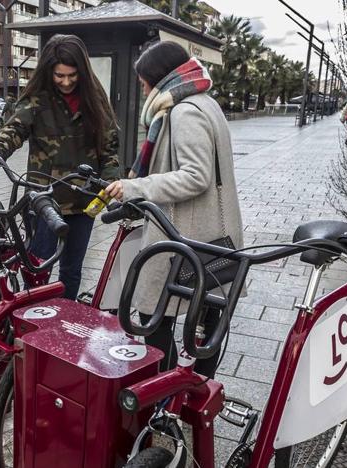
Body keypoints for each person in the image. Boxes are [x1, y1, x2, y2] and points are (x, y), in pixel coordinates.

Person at [103, 41, 244, 378]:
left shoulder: (185, 112)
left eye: (143, 81)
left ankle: (161, 393)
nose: (142, 88)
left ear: (158, 78)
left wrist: (135, 187)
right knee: (210, 315)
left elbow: (195, 177)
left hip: (187, 234)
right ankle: (200, 390)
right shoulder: (205, 103)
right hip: (214, 232)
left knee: (155, 316)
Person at [0, 34, 120, 300]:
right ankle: (34, 323)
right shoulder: (37, 100)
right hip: (43, 200)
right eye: (59, 75)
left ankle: (63, 325)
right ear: (49, 71)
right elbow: (15, 129)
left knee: (71, 270)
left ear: (82, 71)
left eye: (72, 75)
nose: (66, 82)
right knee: (37, 268)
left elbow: (110, 150)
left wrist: (112, 182)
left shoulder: (96, 101)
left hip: (83, 202)